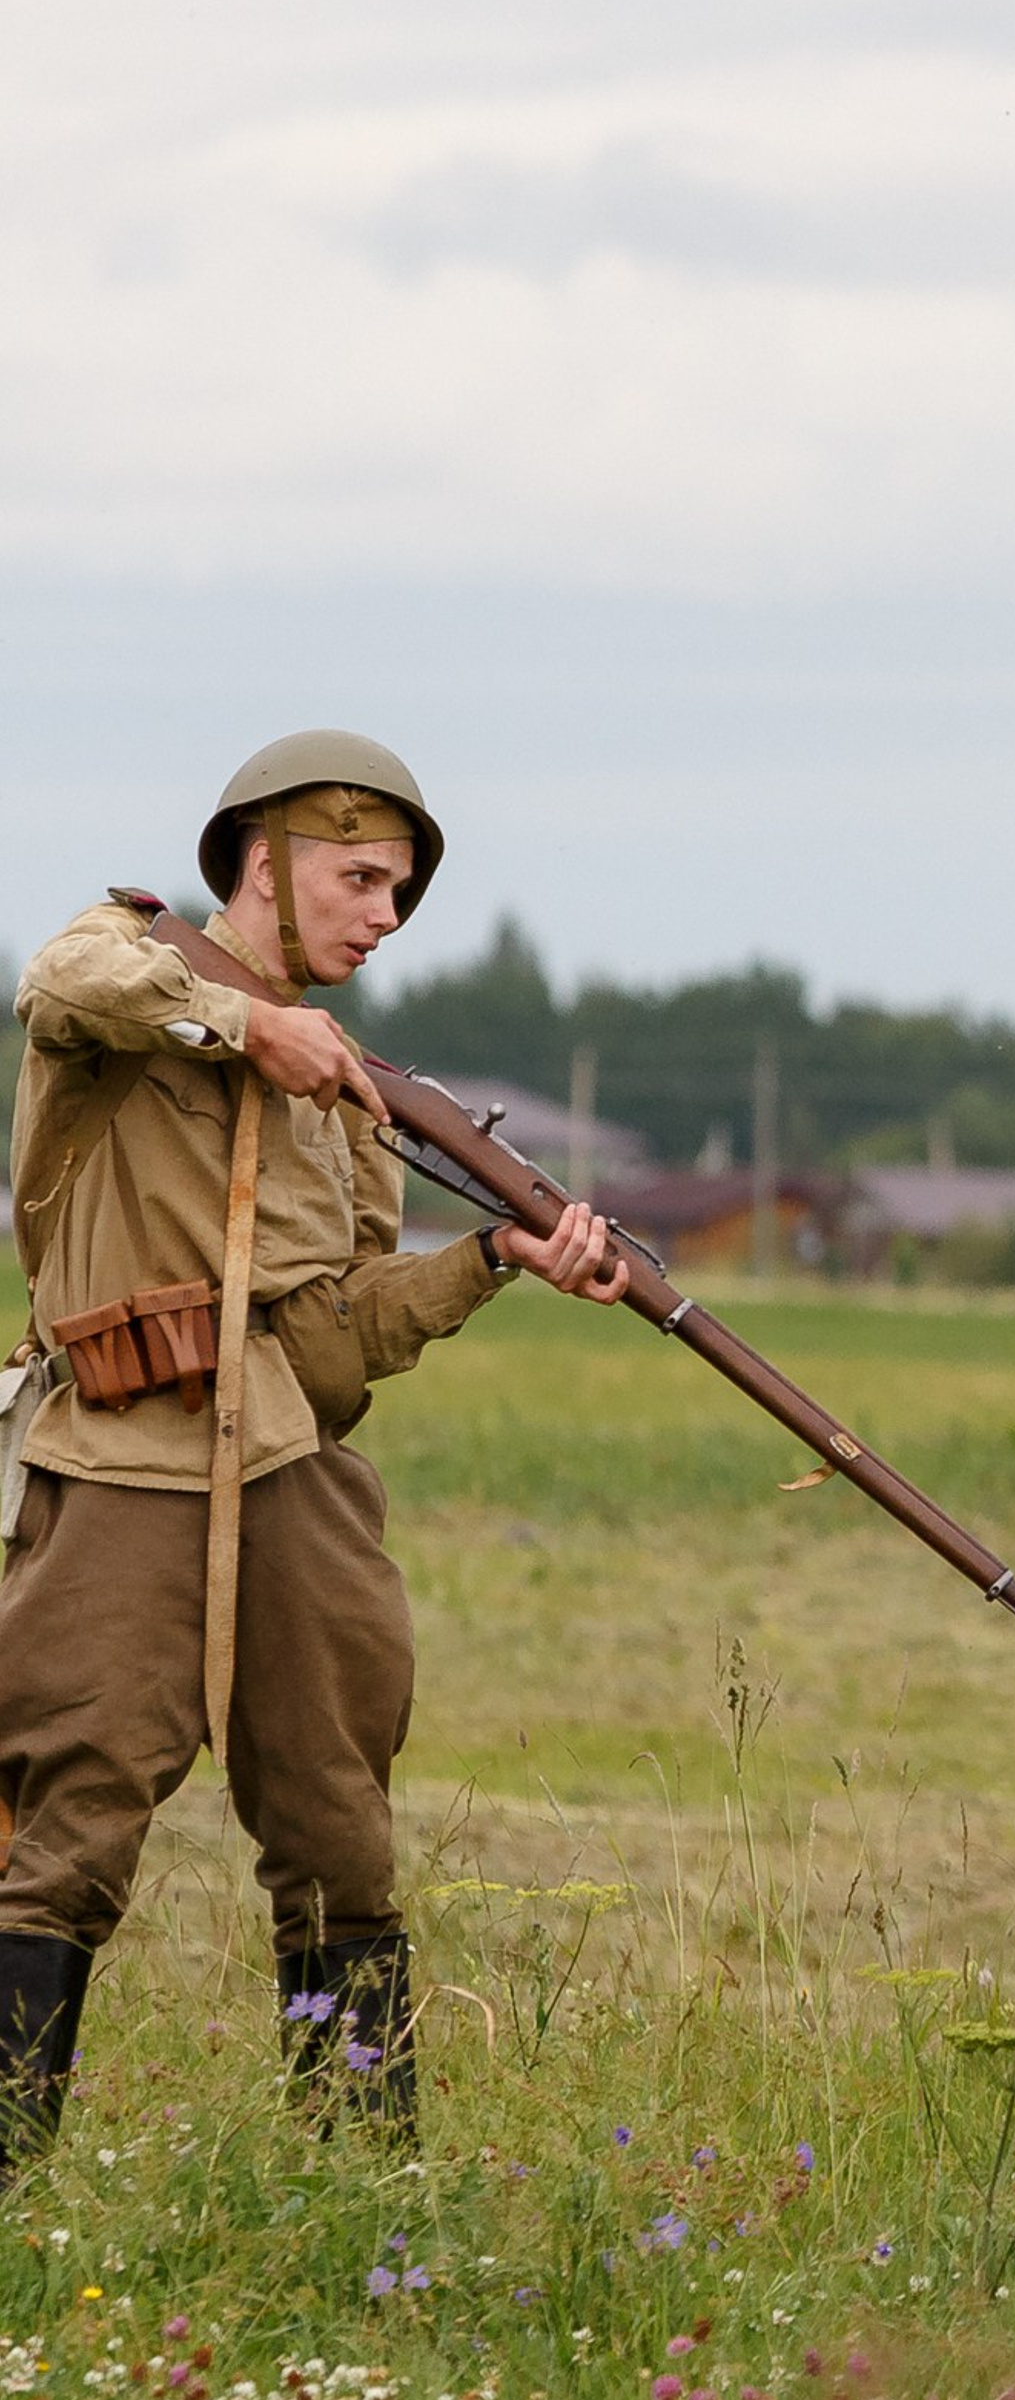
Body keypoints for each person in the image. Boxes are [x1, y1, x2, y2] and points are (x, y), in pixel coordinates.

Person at [0, 729, 627, 2178]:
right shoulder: (129, 962)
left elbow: (337, 1339)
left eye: (400, 891)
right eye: (359, 877)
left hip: (288, 1472)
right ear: (265, 860)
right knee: (67, 1821)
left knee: (341, 1831)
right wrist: (244, 1029)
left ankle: (357, 2194)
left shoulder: (352, 1107)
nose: (384, 915)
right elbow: (63, 980)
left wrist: (494, 1259)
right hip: (114, 1459)